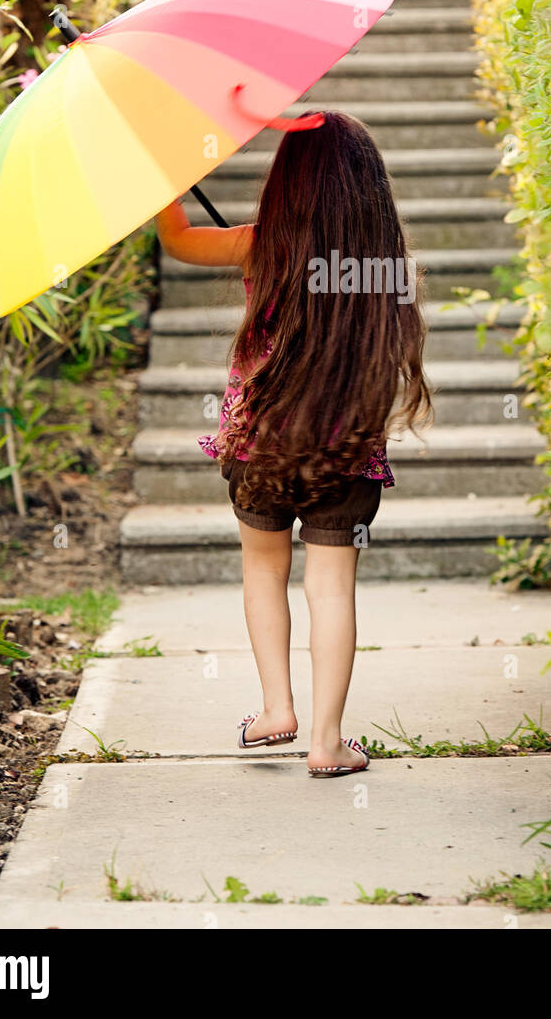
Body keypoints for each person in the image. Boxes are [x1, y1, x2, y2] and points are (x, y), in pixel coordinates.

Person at [155, 110, 431, 778]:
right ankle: (327, 742)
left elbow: (182, 240)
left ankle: (277, 709)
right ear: (371, 188)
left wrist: (163, 172)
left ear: (286, 182)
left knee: (263, 572)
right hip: (346, 453)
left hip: (260, 450)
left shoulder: (261, 245)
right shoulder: (386, 267)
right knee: (331, 589)